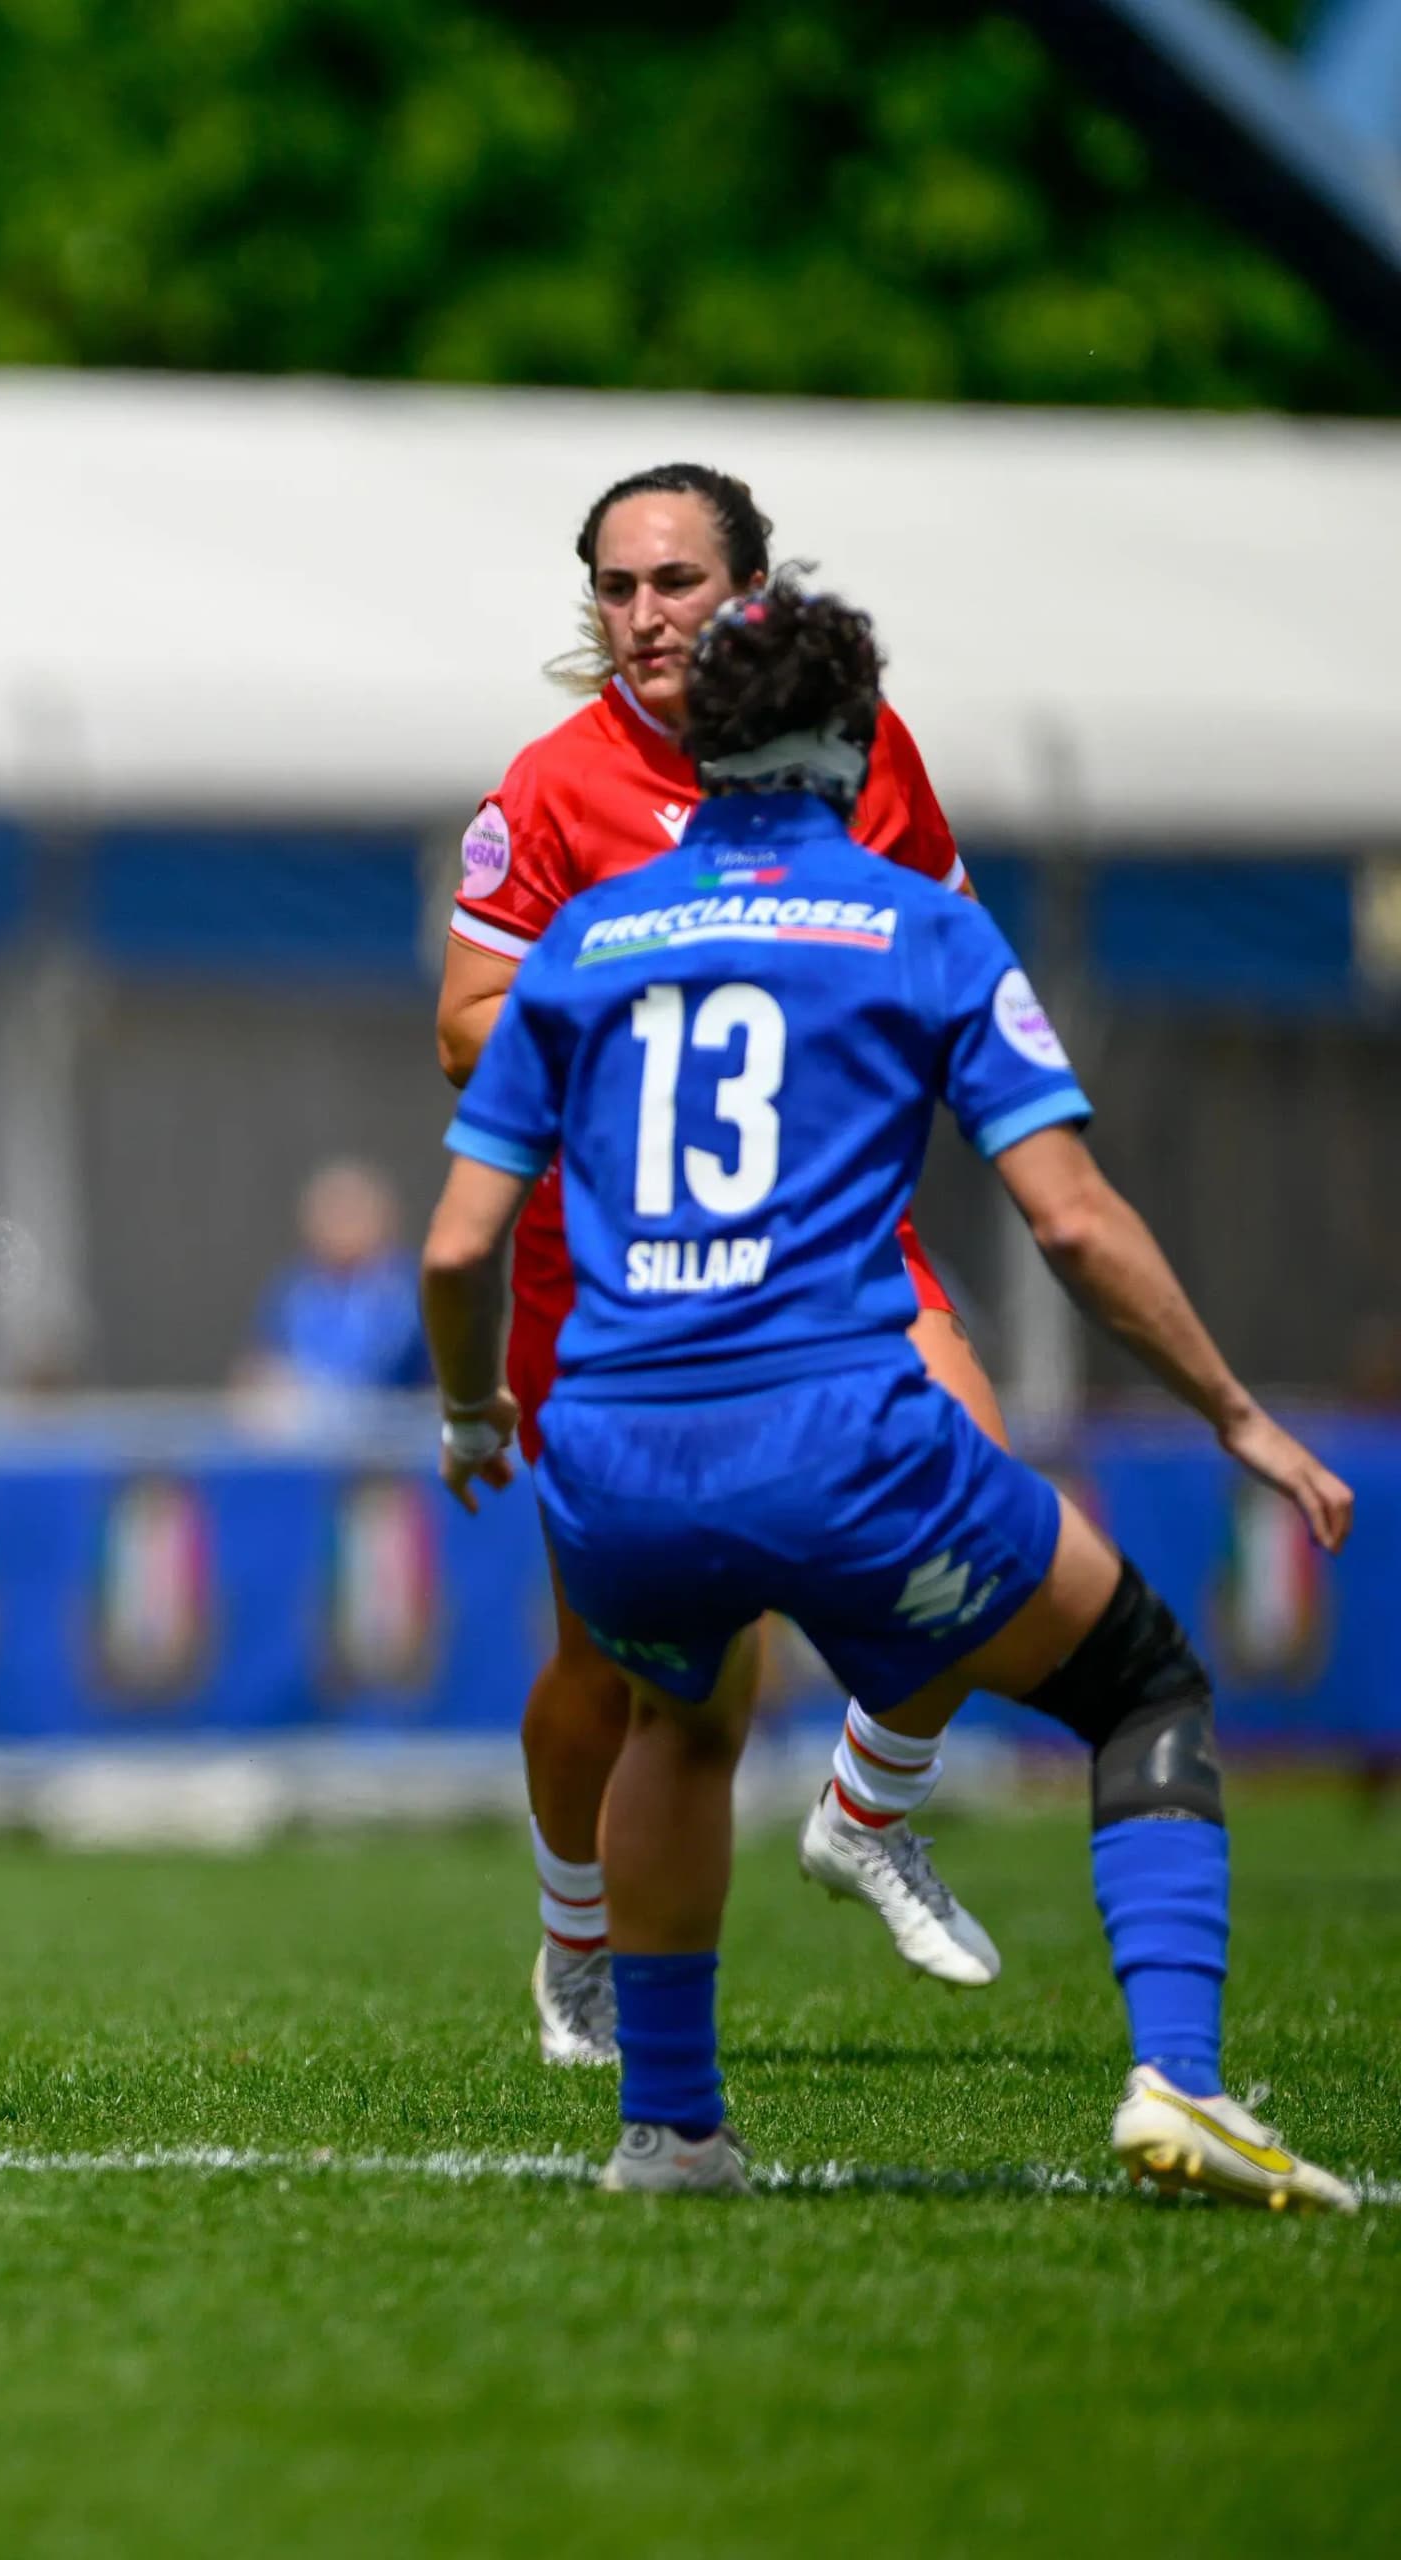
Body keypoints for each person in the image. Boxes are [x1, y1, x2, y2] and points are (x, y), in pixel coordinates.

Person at [424, 577, 1358, 2207]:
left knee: (682, 1724)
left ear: (697, 749)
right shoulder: (918, 923)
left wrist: (470, 1412)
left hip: (616, 1447)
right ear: (859, 748)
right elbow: (1067, 1216)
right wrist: (1231, 1410)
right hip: (834, 1425)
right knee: (1140, 1683)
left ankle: (672, 2134)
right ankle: (1182, 2086)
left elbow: (454, 1250)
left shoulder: (582, 942)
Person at [438, 464, 1009, 2068]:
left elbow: (950, 962)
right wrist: (658, 1020)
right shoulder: (554, 788)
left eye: (675, 582)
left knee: (983, 1496)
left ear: (753, 587)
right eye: (617, 588)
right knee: (624, 1669)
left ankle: (867, 1812)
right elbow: (462, 1026)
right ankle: (575, 1946)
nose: (643, 617)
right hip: (615, 1263)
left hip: (827, 1230)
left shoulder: (865, 753)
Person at [238, 1160, 426, 1393]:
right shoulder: (292, 1289)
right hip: (307, 1424)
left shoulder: (411, 1288)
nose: (339, 1224)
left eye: (351, 1212)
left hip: (395, 1424)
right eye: (330, 1211)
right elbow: (260, 1362)